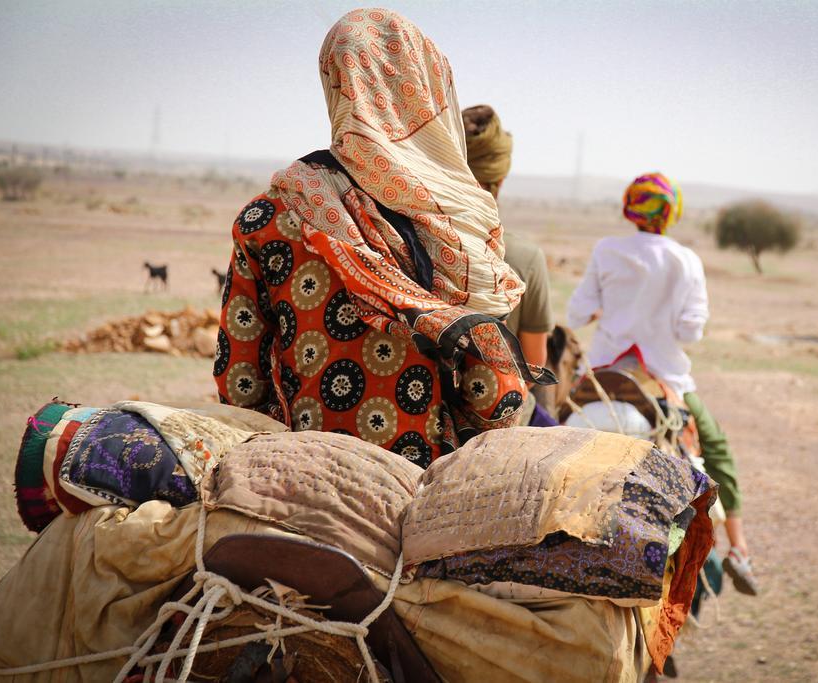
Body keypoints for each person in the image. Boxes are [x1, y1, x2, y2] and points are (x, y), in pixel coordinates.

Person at [214, 8, 553, 468]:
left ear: (334, 84)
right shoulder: (455, 219)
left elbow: (240, 384)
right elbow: (493, 395)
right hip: (418, 474)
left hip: (297, 464)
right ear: (430, 89)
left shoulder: (267, 214)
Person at [567, 172, 759, 595]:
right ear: (672, 214)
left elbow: (577, 313)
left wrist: (611, 314)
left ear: (629, 210)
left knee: (554, 440)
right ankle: (740, 551)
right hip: (666, 377)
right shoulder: (686, 260)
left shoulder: (606, 249)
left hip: (602, 375)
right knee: (717, 447)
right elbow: (691, 332)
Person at [462, 104, 556, 426]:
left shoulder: (398, 240)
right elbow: (533, 365)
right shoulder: (525, 257)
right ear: (500, 181)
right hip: (495, 420)